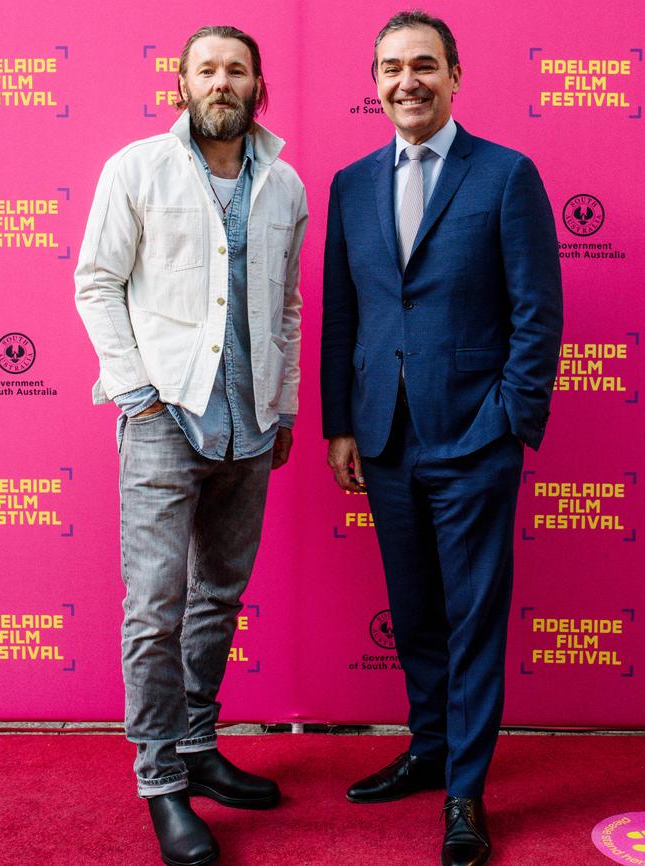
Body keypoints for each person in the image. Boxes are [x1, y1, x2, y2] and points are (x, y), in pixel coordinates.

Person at [321, 11, 562, 866]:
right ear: (375, 82)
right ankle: (428, 748)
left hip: (474, 437)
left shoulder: (505, 175)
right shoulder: (350, 184)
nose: (406, 82)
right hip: (383, 439)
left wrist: (509, 423)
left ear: (455, 76)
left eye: (424, 65)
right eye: (390, 68)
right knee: (416, 610)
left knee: (472, 618)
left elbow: (538, 315)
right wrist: (339, 426)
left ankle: (465, 789)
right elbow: (343, 313)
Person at [75, 25, 307, 866]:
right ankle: (162, 781)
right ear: (181, 81)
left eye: (236, 69)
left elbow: (285, 306)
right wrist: (136, 393)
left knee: (217, 598)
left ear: (257, 86)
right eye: (206, 69)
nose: (221, 82)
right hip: (165, 420)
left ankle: (202, 745)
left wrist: (280, 409)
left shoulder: (285, 185)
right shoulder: (136, 169)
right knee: (155, 609)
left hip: (250, 430)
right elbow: (96, 281)